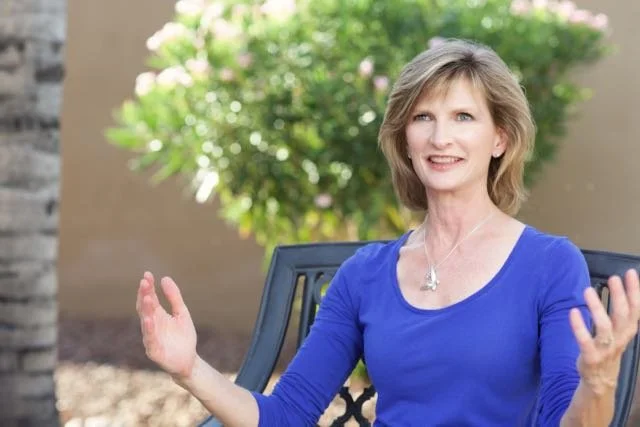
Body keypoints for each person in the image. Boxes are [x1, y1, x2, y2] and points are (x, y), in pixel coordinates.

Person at [135, 39, 640, 426]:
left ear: (500, 139)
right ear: (406, 139)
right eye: (424, 118)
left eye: (463, 117)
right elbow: (286, 415)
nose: (441, 137)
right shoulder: (366, 275)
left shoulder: (550, 265)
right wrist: (189, 369)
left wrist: (599, 381)